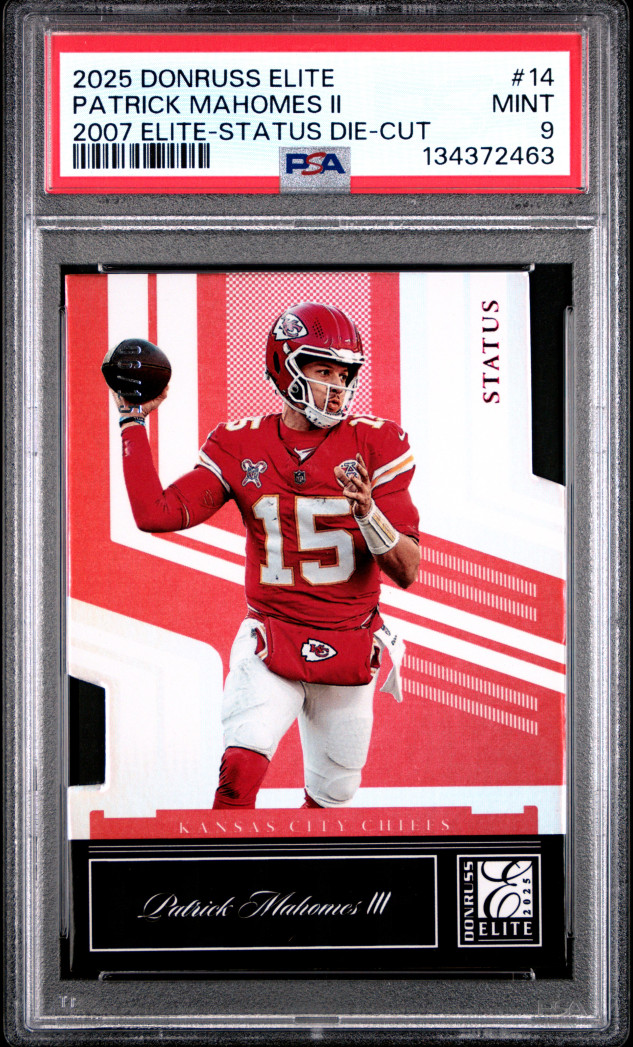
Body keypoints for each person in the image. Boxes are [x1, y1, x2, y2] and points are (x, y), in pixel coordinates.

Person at [113, 302, 420, 809]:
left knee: (333, 797)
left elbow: (407, 570)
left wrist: (368, 513)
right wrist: (131, 421)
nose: (337, 386)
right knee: (240, 768)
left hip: (349, 640)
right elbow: (157, 513)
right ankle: (222, 863)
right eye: (323, 370)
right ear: (285, 367)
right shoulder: (240, 443)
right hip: (271, 637)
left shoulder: (375, 442)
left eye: (344, 374)